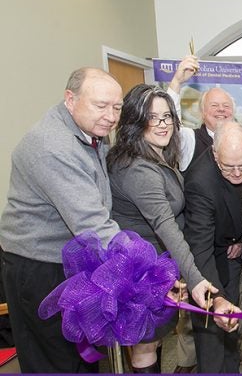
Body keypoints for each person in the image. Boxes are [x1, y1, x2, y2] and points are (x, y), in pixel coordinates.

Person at [0, 67, 122, 373]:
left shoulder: (90, 132)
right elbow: (91, 222)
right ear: (71, 99)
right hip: (39, 268)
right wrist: (139, 265)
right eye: (101, 105)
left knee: (79, 355)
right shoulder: (52, 145)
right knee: (53, 360)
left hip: (68, 262)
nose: (111, 116)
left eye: (117, 107)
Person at [107, 84, 226, 373]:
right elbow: (165, 225)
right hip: (138, 272)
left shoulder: (156, 155)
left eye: (167, 116)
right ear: (134, 121)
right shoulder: (138, 169)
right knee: (145, 345)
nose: (162, 124)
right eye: (152, 117)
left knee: (153, 341)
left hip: (156, 268)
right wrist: (196, 279)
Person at [183, 121, 242, 373]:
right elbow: (200, 247)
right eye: (228, 167)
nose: (237, 173)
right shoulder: (200, 182)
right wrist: (216, 299)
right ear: (216, 156)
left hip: (234, 246)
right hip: (209, 254)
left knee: (232, 324)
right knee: (211, 330)